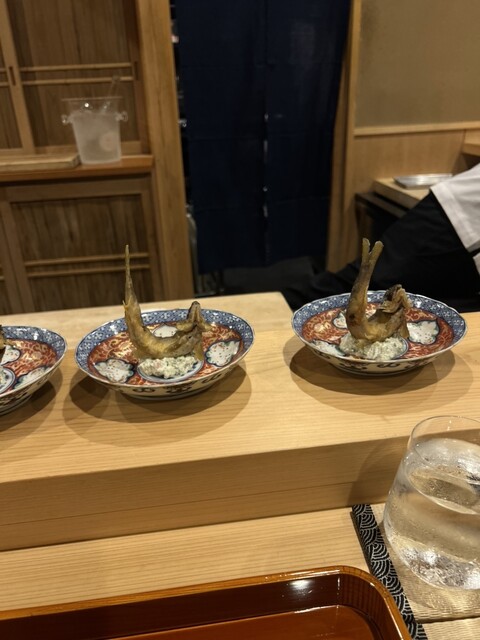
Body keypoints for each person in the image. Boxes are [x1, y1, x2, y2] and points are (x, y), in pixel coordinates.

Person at [282, 162, 480, 313]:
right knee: (356, 288)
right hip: (460, 214)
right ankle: (273, 312)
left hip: (464, 225)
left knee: (429, 314)